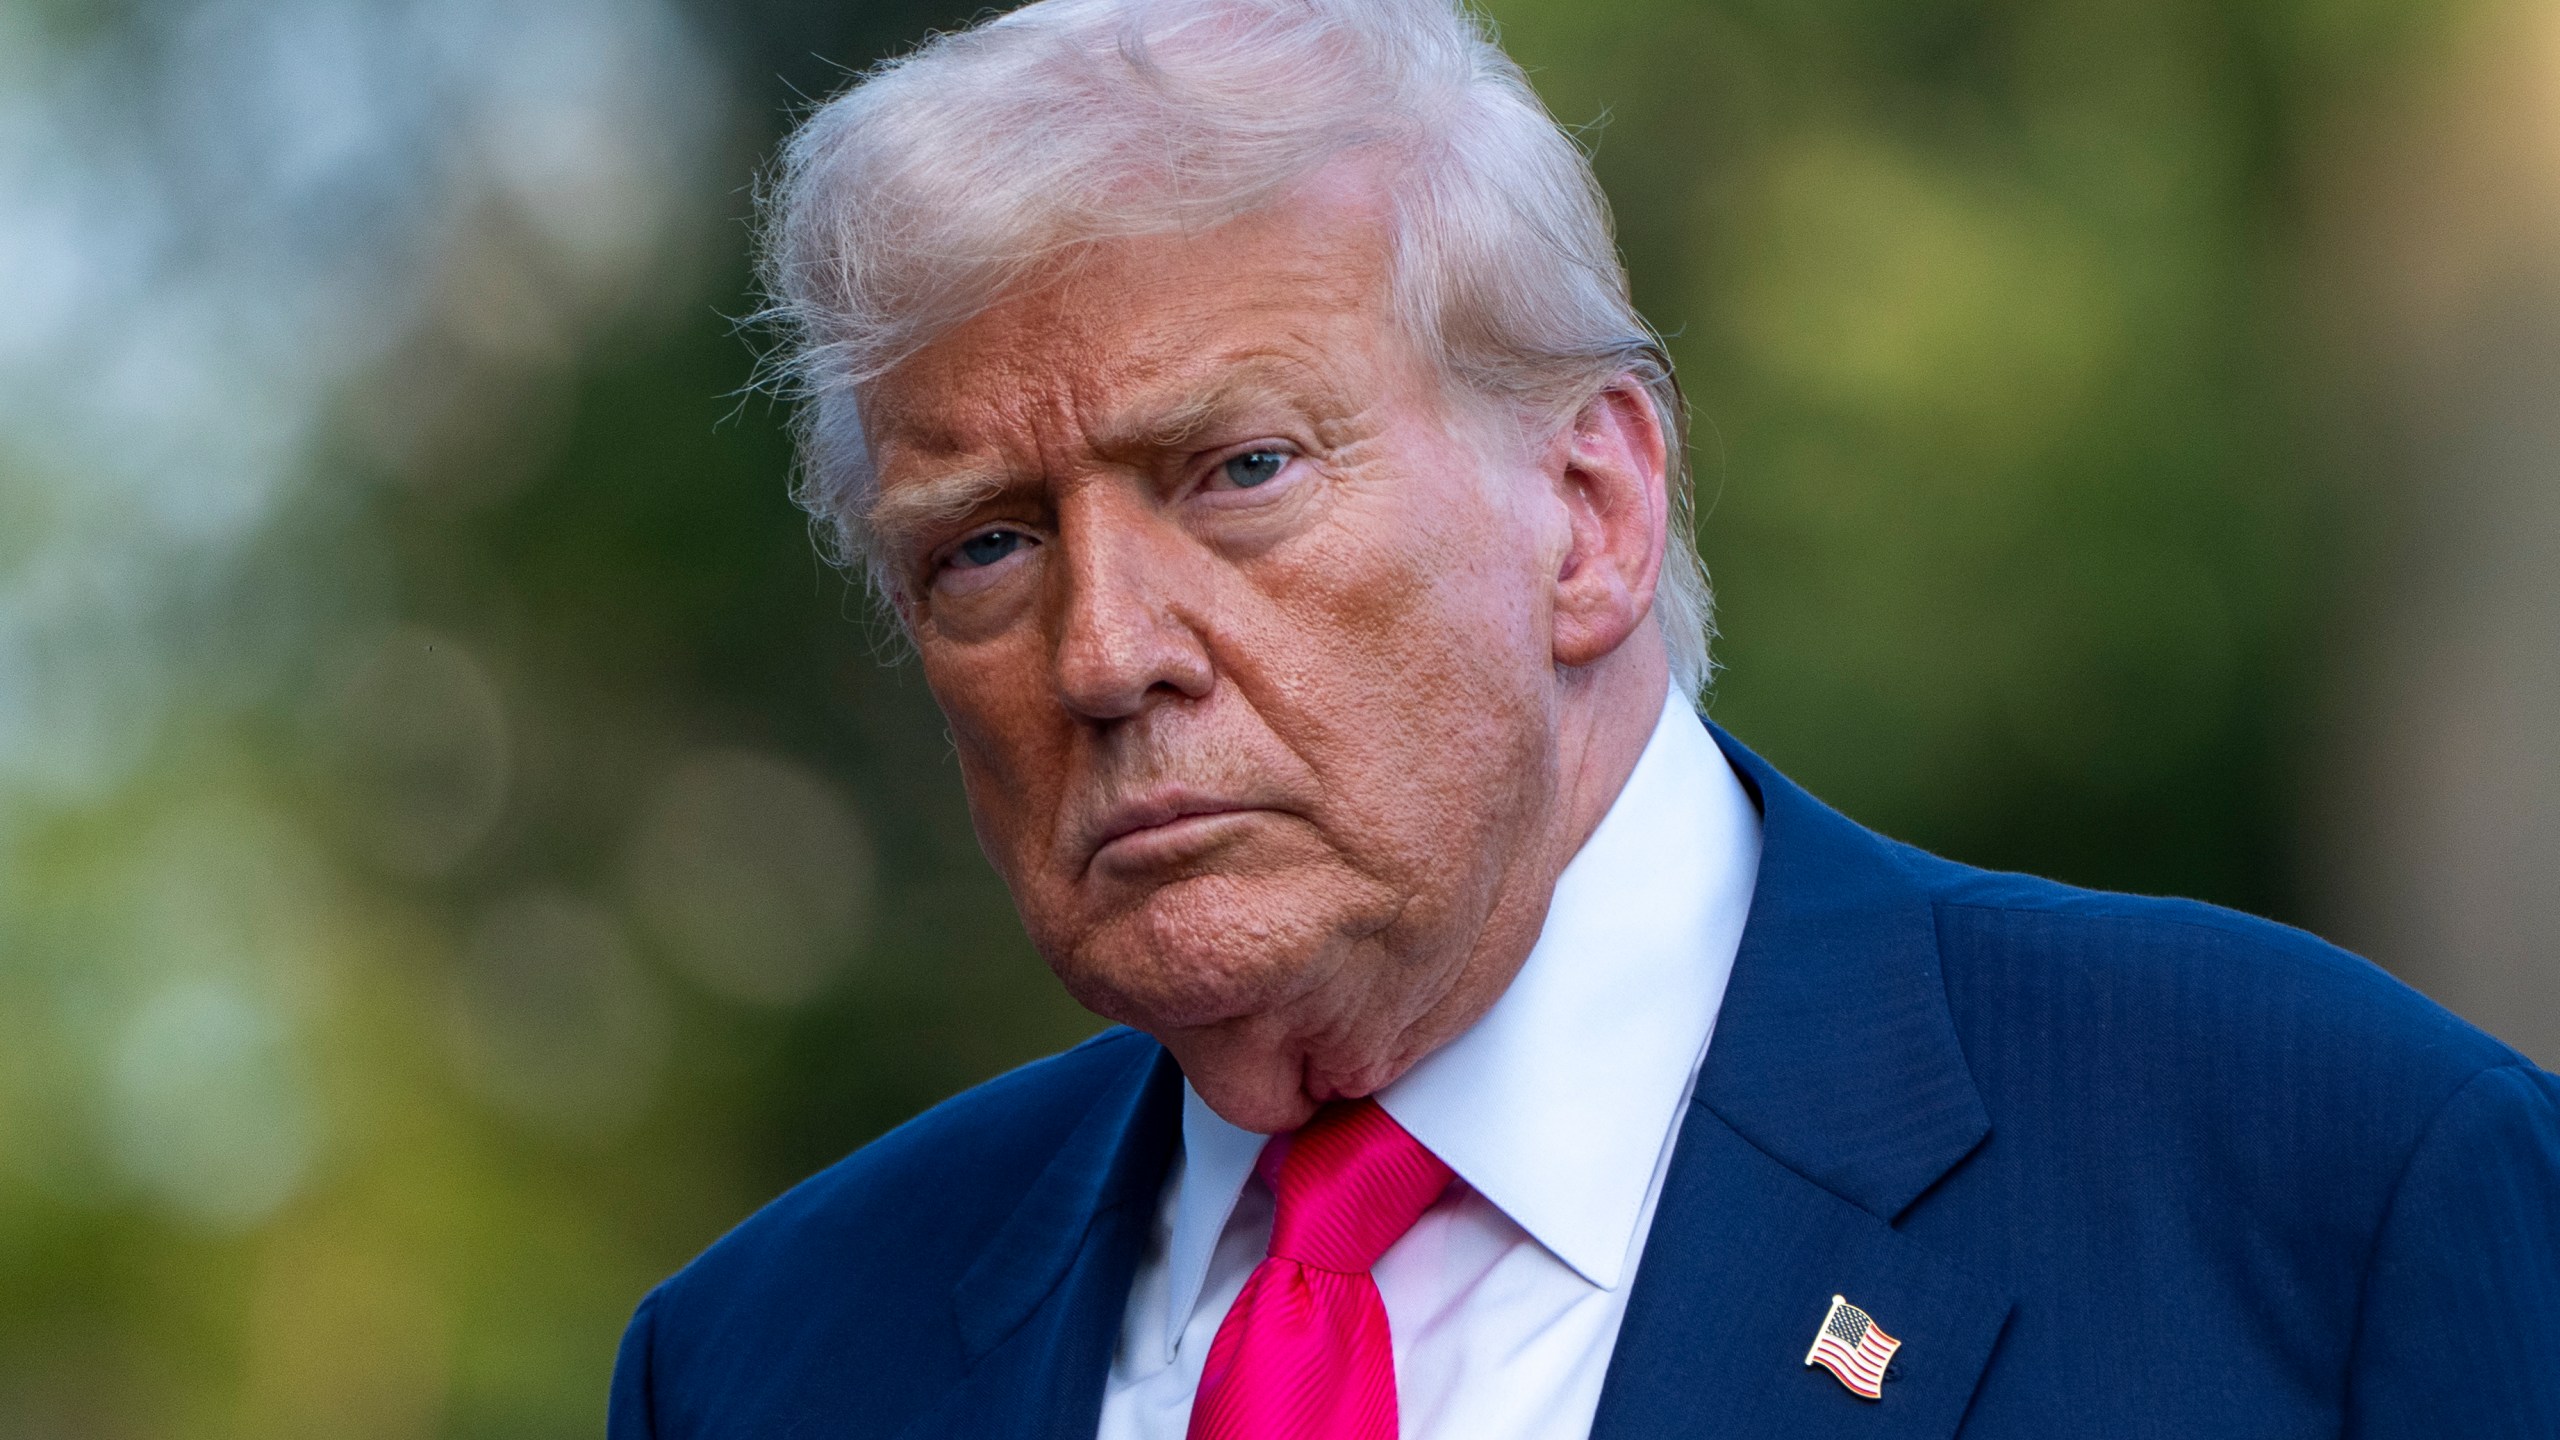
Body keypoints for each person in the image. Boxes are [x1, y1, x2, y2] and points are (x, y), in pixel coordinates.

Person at [607, 1, 2560, 1435]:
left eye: (1238, 470)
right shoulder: (770, 1364)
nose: (1104, 650)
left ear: (1592, 508)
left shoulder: (2321, 1195)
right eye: (984, 552)